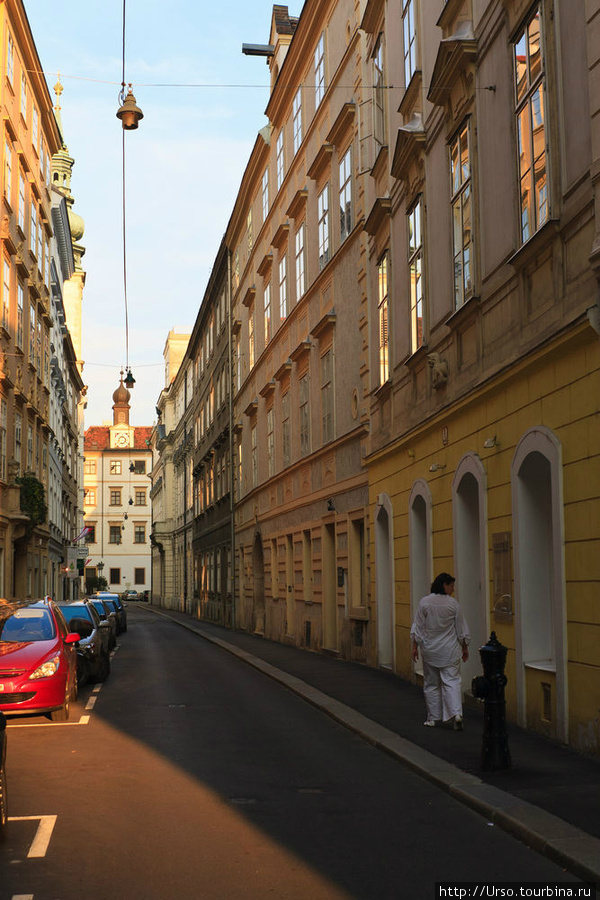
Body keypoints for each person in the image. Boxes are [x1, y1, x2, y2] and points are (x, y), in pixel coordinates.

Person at [410, 573, 470, 730]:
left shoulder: (425, 602)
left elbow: (418, 626)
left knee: (431, 684)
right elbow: (461, 629)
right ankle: (456, 714)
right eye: (451, 585)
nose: (453, 589)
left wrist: (415, 646)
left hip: (430, 650)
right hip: (449, 650)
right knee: (452, 682)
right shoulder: (453, 604)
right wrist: (465, 647)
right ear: (444, 585)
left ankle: (433, 717)